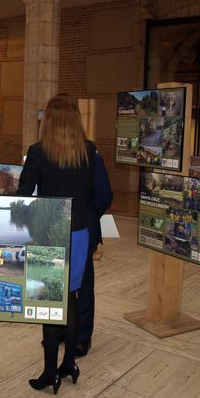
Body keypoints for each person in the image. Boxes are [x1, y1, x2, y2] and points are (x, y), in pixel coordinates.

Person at [17, 93, 97, 394]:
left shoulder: (38, 152)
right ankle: (68, 364)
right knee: (71, 298)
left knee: (49, 304)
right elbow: (89, 193)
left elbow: (24, 193)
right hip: (78, 232)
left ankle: (50, 372)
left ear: (48, 119)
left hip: (50, 230)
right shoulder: (89, 151)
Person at [76, 150, 112, 357]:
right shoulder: (46, 152)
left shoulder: (92, 156)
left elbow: (104, 194)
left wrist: (90, 215)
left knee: (84, 282)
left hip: (84, 228)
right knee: (57, 279)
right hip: (54, 227)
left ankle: (82, 336)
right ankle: (62, 328)